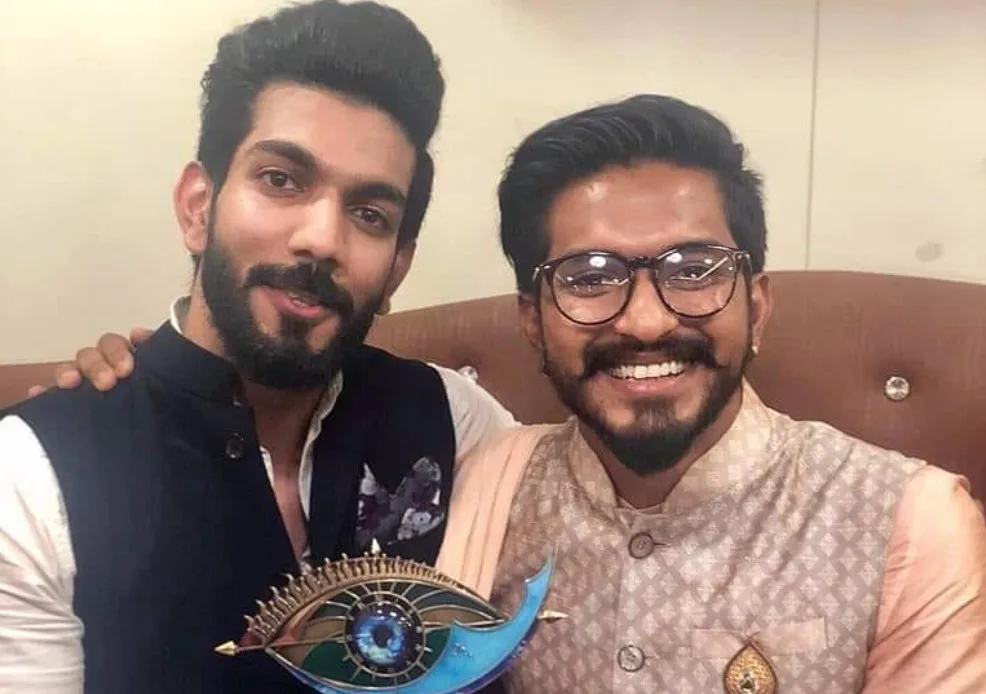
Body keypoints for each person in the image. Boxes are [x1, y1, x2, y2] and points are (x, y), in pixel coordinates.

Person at [0, 2, 515, 693]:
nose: (321, 239)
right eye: (280, 180)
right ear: (198, 207)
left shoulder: (456, 418)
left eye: (369, 214)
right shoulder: (33, 477)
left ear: (397, 267)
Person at [430, 95, 986, 693]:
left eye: (694, 270)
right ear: (533, 323)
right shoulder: (494, 482)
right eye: (590, 277)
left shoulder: (909, 523)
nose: (646, 323)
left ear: (757, 306)